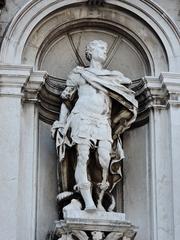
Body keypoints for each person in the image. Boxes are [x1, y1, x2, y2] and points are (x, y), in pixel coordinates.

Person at [51, 40, 138, 211]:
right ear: (90, 52)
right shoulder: (79, 74)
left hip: (102, 120)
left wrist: (113, 80)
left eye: (105, 48)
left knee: (105, 160)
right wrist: (61, 123)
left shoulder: (112, 76)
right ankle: (88, 202)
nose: (104, 50)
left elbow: (126, 86)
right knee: (82, 157)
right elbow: (67, 102)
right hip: (81, 118)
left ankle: (99, 202)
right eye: (100, 47)